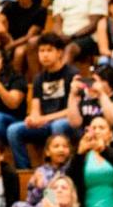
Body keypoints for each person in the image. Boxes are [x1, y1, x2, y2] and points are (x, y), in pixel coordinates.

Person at [6, 33, 77, 170]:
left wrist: (43, 118)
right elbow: (35, 107)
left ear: (60, 53)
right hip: (46, 124)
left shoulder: (72, 74)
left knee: (58, 126)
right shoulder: (39, 78)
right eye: (41, 51)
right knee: (14, 130)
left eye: (49, 50)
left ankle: (63, 169)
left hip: (69, 122)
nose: (44, 55)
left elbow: (72, 111)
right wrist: (32, 119)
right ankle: (24, 171)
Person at [51, 0, 107, 64]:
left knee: (70, 48)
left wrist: (73, 36)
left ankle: (63, 79)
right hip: (63, 36)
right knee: (37, 44)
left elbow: (94, 24)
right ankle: (37, 80)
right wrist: (60, 35)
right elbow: (57, 22)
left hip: (89, 38)